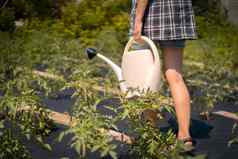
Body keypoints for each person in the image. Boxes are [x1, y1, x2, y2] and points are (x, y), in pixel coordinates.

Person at [129, 0, 197, 148]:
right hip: (176, 13)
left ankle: (151, 134)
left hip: (151, 15)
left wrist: (138, 20)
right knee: (175, 76)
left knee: (146, 77)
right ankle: (185, 136)